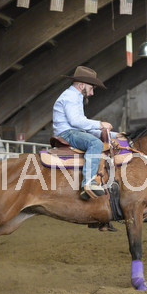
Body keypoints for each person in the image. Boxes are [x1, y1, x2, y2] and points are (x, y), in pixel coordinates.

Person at [52, 66, 112, 200]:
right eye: (91, 88)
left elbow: (82, 125)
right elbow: (76, 121)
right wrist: (100, 124)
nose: (92, 93)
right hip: (67, 133)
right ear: (81, 85)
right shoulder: (70, 96)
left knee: (108, 138)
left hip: (74, 131)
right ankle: (89, 182)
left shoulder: (75, 96)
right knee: (95, 144)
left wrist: (108, 133)